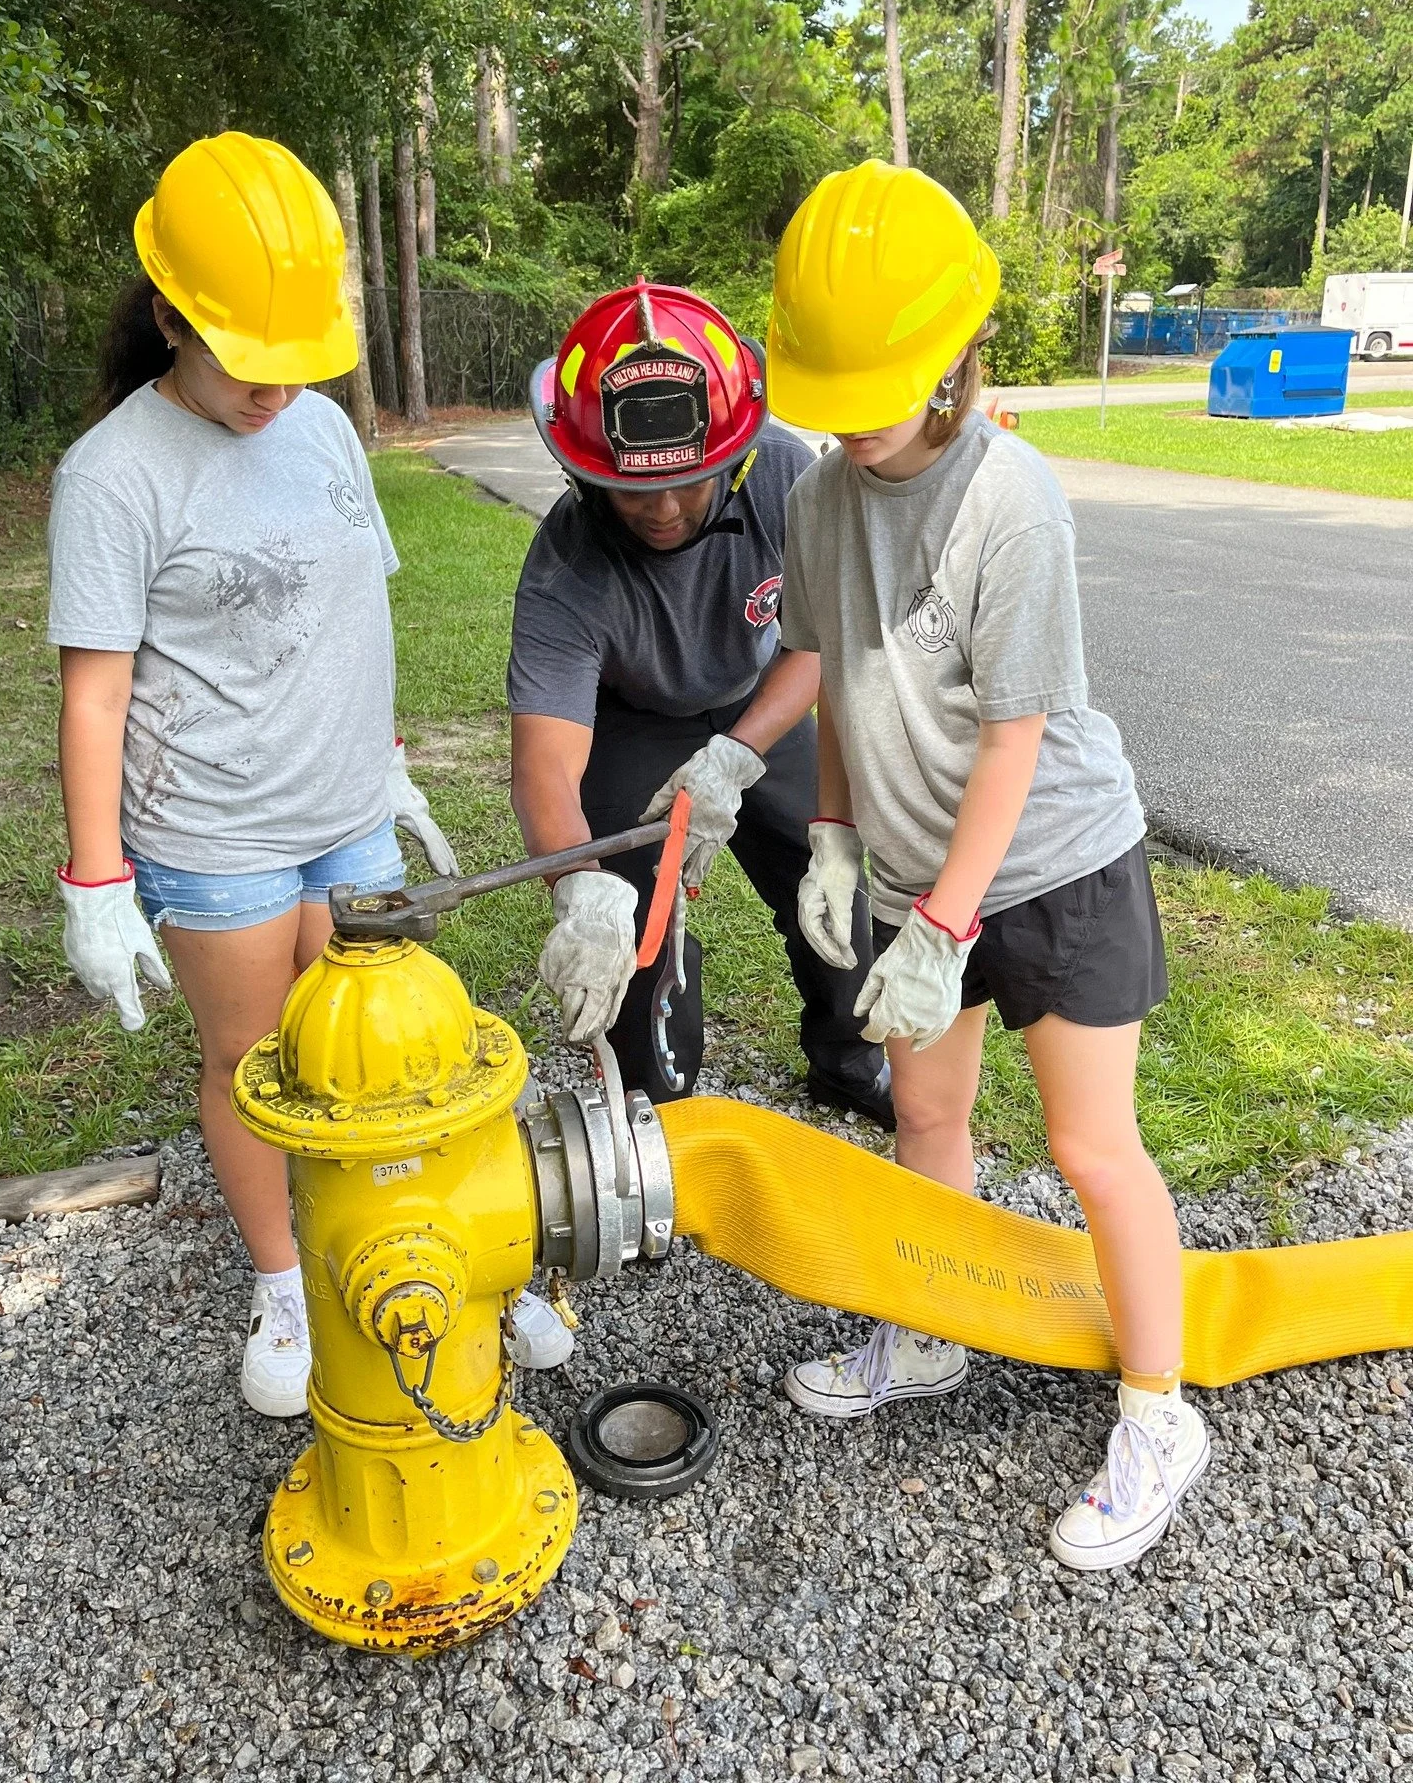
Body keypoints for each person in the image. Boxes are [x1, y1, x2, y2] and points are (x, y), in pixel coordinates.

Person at [771, 160, 1209, 1572]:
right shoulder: (819, 497)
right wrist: (835, 833)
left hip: (1056, 864)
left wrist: (946, 922)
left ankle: (1159, 1416)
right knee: (925, 1117)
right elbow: (838, 679)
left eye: (875, 385)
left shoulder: (1010, 499)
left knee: (1091, 1148)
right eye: (832, 389)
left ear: (954, 349)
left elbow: (1016, 739)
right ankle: (933, 1329)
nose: (851, 418)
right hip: (914, 874)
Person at [47, 131, 471, 1415]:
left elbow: (357, 613)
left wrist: (389, 766)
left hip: (349, 817)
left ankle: (397, 1249)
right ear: (173, 316)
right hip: (213, 830)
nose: (275, 390)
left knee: (376, 1052)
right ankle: (285, 1286)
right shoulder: (113, 475)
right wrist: (97, 883)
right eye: (248, 360)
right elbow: (95, 692)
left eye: (294, 361)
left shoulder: (324, 430)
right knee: (251, 1061)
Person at [508, 279, 891, 1128]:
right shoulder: (566, 567)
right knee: (632, 921)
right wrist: (577, 885)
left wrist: (737, 755)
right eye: (633, 490)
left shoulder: (788, 476)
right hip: (632, 722)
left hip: (761, 702)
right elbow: (544, 762)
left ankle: (848, 1060)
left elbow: (817, 641)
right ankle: (658, 1108)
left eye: (692, 483)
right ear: (580, 471)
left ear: (738, 458)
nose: (665, 509)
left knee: (832, 883)